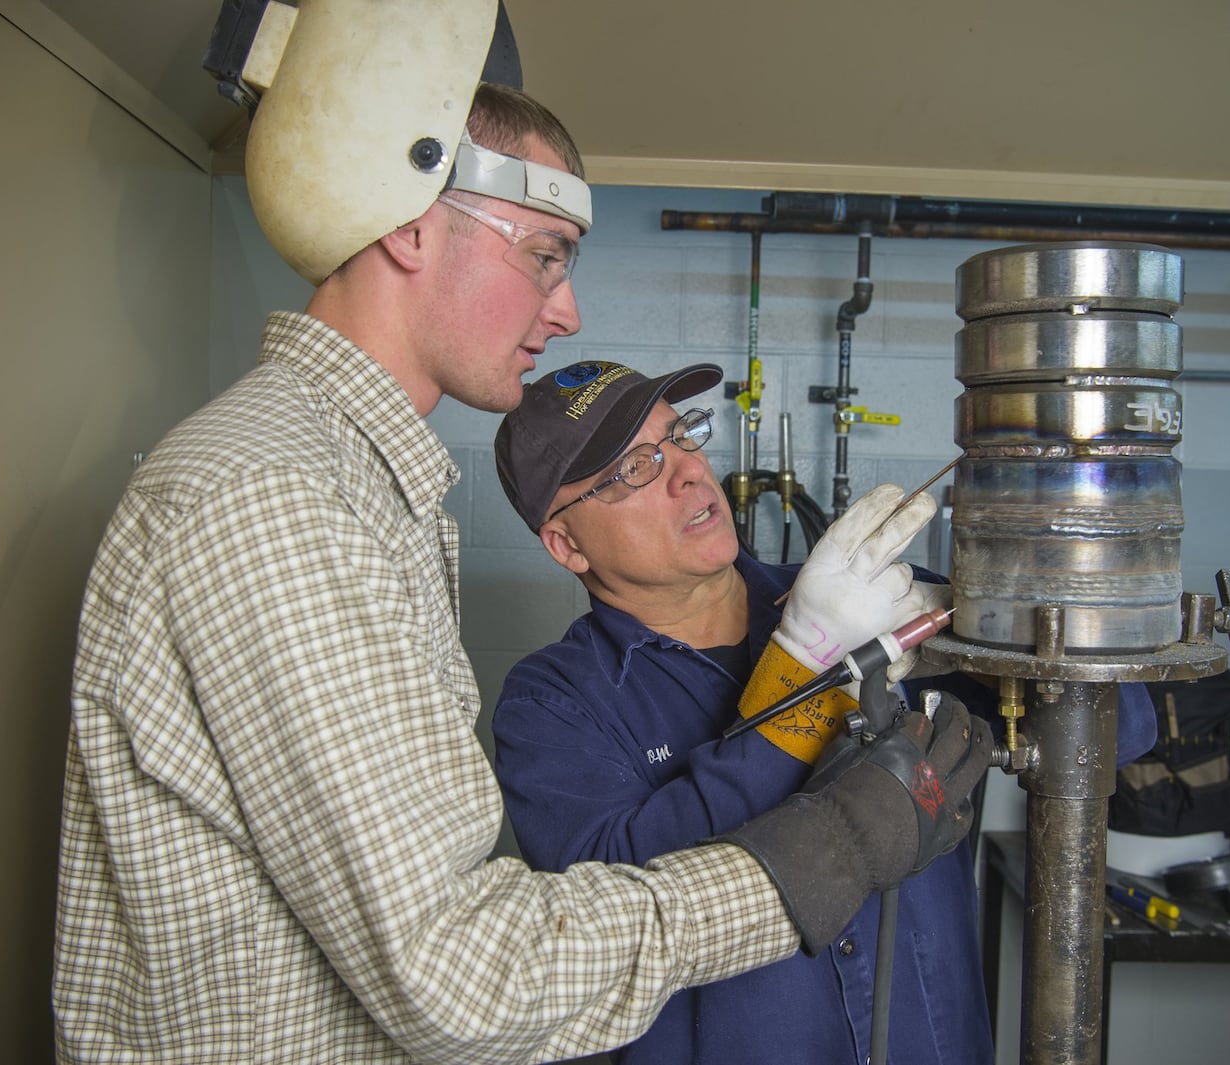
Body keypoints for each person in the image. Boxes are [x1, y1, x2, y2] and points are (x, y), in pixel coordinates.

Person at [50, 13, 992, 1063]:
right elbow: (459, 982)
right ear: (410, 220)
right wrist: (834, 845)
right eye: (545, 255)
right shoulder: (280, 497)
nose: (569, 308)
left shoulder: (351, 488)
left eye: (677, 439)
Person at [491, 359, 1160, 1065]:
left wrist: (1028, 597)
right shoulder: (551, 705)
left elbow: (1119, 738)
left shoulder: (882, 602)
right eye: (632, 469)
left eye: (681, 436)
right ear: (566, 543)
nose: (687, 472)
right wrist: (806, 666)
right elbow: (611, 914)